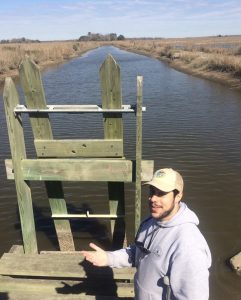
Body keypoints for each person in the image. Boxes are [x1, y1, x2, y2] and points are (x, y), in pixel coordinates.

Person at [81, 168, 212, 300]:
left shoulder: (188, 245)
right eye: (152, 192)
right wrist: (108, 258)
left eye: (161, 193)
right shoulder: (152, 221)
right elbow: (137, 252)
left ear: (178, 196)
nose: (153, 198)